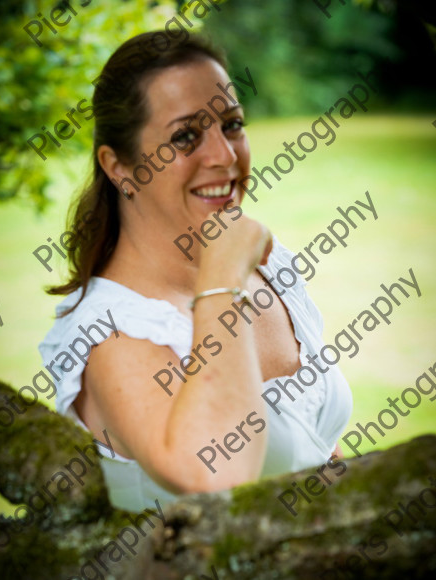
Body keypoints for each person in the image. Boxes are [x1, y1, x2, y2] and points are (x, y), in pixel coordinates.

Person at [39, 31, 353, 513]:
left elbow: (316, 451)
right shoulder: (109, 332)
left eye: (231, 125)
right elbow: (215, 474)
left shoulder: (269, 269)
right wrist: (221, 280)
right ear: (119, 167)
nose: (224, 157)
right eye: (185, 136)